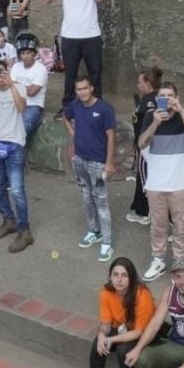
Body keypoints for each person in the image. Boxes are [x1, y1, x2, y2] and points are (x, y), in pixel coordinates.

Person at [136, 80, 184, 281]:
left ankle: (180, 261)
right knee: (158, 224)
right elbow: (141, 144)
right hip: (156, 182)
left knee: (182, 226)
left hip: (181, 181)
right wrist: (155, 123)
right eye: (162, 96)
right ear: (157, 99)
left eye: (170, 96)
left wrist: (182, 111)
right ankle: (159, 259)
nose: (166, 99)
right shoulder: (150, 116)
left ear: (177, 98)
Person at [86, 256, 155, 368]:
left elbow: (138, 332)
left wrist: (111, 340)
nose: (119, 279)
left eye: (124, 275)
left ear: (131, 277)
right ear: (110, 276)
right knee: (98, 344)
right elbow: (105, 324)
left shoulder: (142, 294)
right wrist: (102, 335)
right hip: (123, 330)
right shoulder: (106, 292)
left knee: (123, 351)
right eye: (115, 275)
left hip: (146, 333)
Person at [0, 59, 34, 252]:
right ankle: (8, 220)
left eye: (1, 71)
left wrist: (11, 85)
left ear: (8, 71)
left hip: (15, 143)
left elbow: (22, 108)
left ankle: (25, 230)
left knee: (17, 189)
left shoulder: (18, 87)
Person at [63, 74, 120, 261]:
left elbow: (111, 136)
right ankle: (94, 231)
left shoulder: (104, 109)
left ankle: (107, 242)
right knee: (87, 197)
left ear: (92, 88)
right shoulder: (75, 105)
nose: (82, 92)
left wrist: (109, 162)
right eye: (79, 89)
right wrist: (72, 132)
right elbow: (65, 116)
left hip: (98, 163)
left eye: (85, 88)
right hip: (79, 160)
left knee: (101, 201)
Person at [46, 0, 104, 97]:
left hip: (91, 35)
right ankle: (68, 104)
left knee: (95, 72)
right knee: (70, 73)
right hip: (70, 36)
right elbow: (48, 0)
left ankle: (96, 102)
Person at [125, 67, 163, 227]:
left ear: (147, 83)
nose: (138, 85)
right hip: (148, 147)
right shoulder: (153, 98)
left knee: (144, 179)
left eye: (140, 82)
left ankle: (144, 212)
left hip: (147, 148)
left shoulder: (149, 103)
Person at [10, 33, 50, 139]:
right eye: (23, 53)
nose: (25, 56)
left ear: (34, 53)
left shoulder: (40, 69)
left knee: (20, 131)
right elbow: (9, 88)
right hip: (15, 103)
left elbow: (32, 92)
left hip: (33, 106)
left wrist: (15, 85)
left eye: (28, 53)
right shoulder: (16, 66)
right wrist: (21, 87)